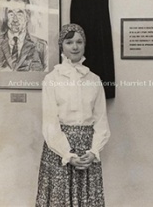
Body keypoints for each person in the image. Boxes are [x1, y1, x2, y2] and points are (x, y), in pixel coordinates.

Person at [35, 24, 110, 206]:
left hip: (86, 151)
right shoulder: (52, 79)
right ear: (62, 45)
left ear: (84, 45)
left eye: (79, 42)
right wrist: (67, 155)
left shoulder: (94, 79)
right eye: (69, 42)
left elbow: (101, 120)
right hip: (59, 150)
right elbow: (50, 122)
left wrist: (93, 152)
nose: (75, 47)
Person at [0, 0, 47, 71]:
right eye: (11, 13)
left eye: (20, 13)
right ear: (6, 16)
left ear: (27, 16)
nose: (15, 19)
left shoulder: (42, 46)